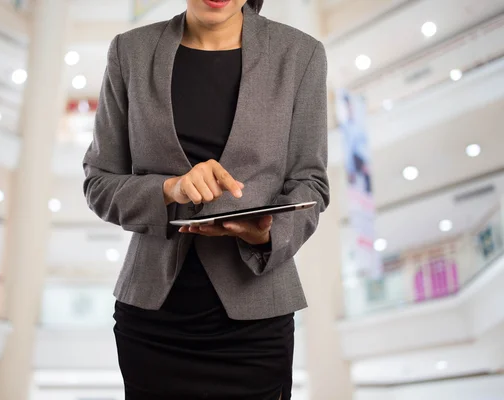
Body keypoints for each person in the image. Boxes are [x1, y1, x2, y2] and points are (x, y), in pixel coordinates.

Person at [83, 0, 329, 399]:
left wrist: (263, 236)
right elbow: (99, 184)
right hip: (153, 321)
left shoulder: (301, 54)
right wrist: (170, 190)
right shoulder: (130, 51)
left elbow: (311, 183)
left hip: (256, 320)